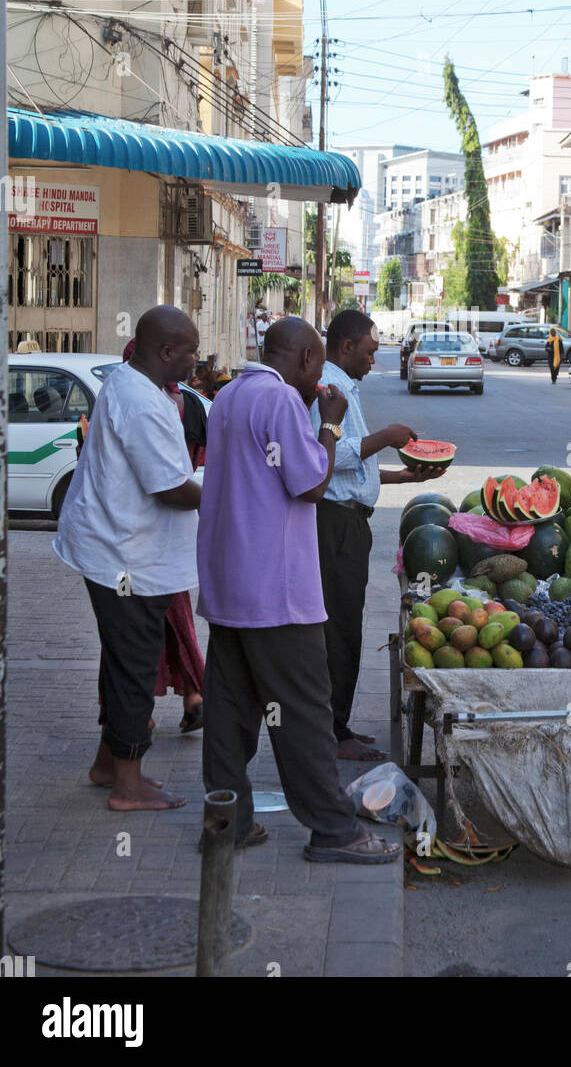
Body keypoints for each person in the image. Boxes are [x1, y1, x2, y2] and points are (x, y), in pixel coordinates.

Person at [197, 316, 400, 862]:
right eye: (317, 367)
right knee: (305, 710)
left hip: (229, 581)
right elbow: (311, 483)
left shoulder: (229, 396)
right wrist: (329, 425)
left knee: (229, 708)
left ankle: (227, 820)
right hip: (276, 588)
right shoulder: (284, 401)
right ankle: (334, 831)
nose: (320, 382)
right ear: (308, 358)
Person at [53, 306, 202, 811]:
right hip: (124, 560)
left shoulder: (130, 382)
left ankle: (106, 764)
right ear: (165, 352)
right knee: (135, 667)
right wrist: (228, 486)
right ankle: (127, 785)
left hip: (119, 551)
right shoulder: (140, 401)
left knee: (122, 663)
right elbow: (171, 490)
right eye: (189, 352)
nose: (195, 362)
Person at [310, 310, 446, 762]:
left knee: (346, 624)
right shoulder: (328, 389)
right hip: (333, 524)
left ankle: (338, 724)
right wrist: (387, 435)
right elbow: (328, 455)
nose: (373, 361)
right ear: (346, 346)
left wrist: (403, 477)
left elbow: (354, 471)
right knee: (339, 628)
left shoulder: (345, 386)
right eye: (369, 352)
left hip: (348, 519)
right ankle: (331, 731)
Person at [120, 338, 206, 734]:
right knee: (174, 623)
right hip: (169, 539)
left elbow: (167, 484)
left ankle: (131, 718)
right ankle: (191, 693)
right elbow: (195, 465)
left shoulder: (151, 402)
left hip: (144, 544)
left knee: (131, 640)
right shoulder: (179, 402)